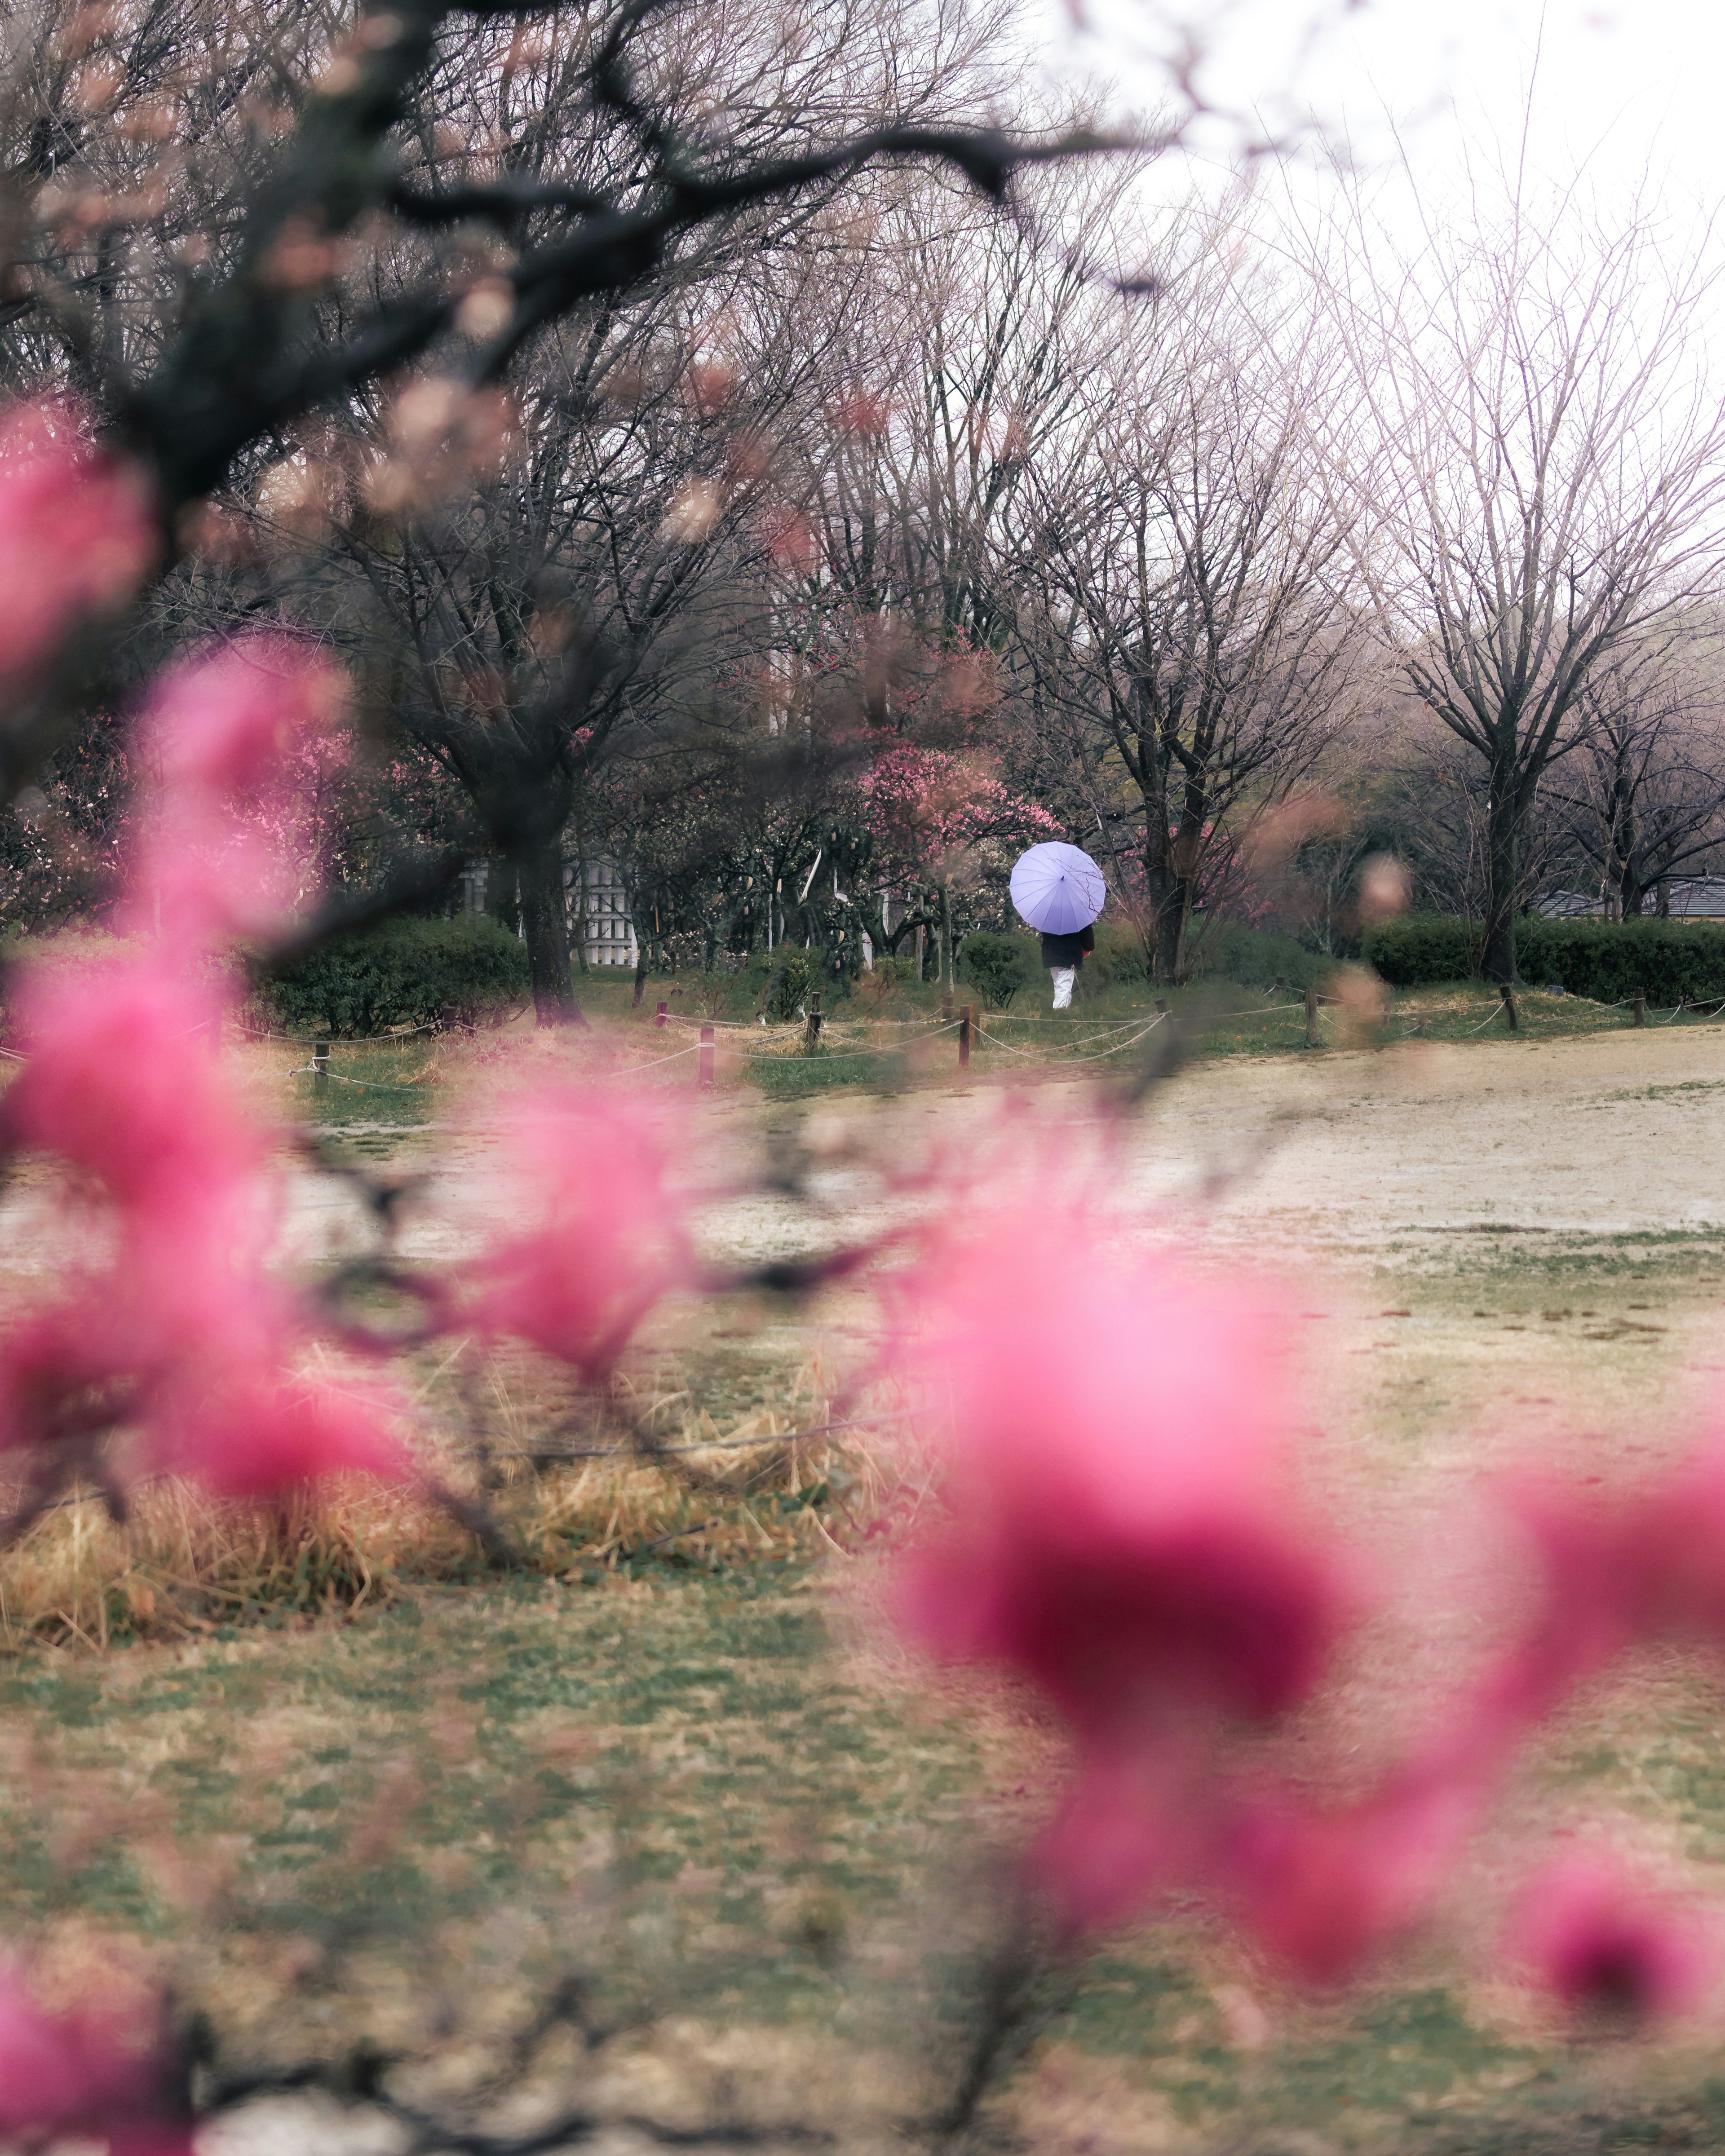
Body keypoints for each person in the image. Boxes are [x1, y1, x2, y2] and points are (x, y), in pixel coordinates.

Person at [1040, 920, 1094, 1010]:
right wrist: (1088, 948)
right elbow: (1088, 939)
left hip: (1050, 953)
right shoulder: (1078, 913)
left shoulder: (1050, 913)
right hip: (1068, 953)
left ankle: (1065, 1012)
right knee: (1064, 985)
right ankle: (1060, 1014)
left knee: (1059, 984)